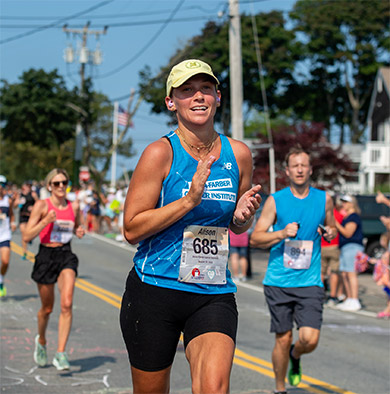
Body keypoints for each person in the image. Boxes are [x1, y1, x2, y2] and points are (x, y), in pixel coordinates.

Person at [120, 59, 262, 394]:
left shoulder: (238, 154)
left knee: (214, 388)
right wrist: (188, 200)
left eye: (205, 89)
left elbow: (237, 225)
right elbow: (131, 229)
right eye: (186, 90)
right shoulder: (160, 153)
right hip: (155, 290)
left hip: (212, 292)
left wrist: (242, 218)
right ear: (171, 102)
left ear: (218, 96)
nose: (198, 97)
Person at [250, 145, 336, 394]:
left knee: (310, 339)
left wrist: (330, 232)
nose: (300, 169)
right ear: (287, 171)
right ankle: (280, 389)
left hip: (310, 281)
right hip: (278, 281)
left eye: (304, 165)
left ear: (310, 169)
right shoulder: (276, 200)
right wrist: (281, 233)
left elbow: (331, 228)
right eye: (295, 166)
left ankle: (295, 355)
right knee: (283, 337)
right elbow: (256, 238)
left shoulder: (324, 199)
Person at [23, 168, 85, 370]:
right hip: (46, 256)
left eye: (64, 183)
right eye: (56, 183)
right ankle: (41, 340)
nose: (61, 187)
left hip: (65, 254)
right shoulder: (42, 205)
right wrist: (45, 221)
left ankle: (60, 353)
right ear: (49, 186)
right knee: (47, 309)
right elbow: (26, 236)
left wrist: (79, 230)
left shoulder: (73, 206)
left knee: (66, 303)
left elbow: (76, 225)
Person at [335, 195, 364, 312]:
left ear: (352, 203)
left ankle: (355, 299)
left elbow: (348, 233)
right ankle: (349, 298)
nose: (344, 204)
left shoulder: (353, 217)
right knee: (345, 273)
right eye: (343, 202)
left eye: (346, 202)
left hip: (353, 246)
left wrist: (336, 224)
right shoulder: (347, 216)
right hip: (345, 247)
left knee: (351, 273)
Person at [321, 199, 344, 307]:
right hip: (334, 246)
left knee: (321, 272)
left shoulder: (320, 214)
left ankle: (319, 295)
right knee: (334, 272)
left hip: (322, 245)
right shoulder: (339, 214)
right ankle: (333, 296)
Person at [0, 176, 17, 297]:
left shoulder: (8, 200)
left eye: (2, 184)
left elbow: (11, 213)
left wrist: (12, 223)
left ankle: (0, 279)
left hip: (4, 234)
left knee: (5, 261)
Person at [17, 181, 38, 259]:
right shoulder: (20, 194)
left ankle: (30, 238)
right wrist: (17, 202)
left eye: (29, 186)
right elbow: (15, 205)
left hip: (30, 216)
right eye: (26, 186)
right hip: (22, 215)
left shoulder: (33, 194)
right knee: (24, 233)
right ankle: (24, 252)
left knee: (29, 233)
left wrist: (33, 207)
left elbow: (39, 203)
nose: (27, 187)